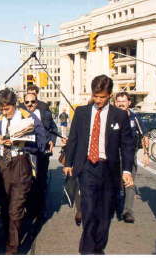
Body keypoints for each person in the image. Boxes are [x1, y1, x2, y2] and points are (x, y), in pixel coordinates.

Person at [63, 75, 134, 255]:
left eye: (102, 97)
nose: (99, 100)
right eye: (96, 96)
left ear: (109, 95)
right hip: (87, 167)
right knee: (88, 208)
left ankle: (98, 246)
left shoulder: (120, 115)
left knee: (105, 213)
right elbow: (73, 139)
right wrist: (68, 162)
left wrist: (127, 170)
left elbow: (127, 145)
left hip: (109, 169)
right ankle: (87, 250)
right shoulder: (81, 112)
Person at [0, 88, 47, 254]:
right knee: (5, 205)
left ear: (15, 104)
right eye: (2, 109)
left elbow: (42, 143)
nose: (4, 113)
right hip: (1, 166)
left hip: (20, 164)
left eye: (7, 109)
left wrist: (24, 142)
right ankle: (9, 236)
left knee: (15, 208)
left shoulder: (29, 117)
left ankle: (12, 248)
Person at [114, 91, 149, 223]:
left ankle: (128, 211)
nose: (121, 103)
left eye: (124, 101)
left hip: (130, 154)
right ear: (115, 103)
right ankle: (116, 205)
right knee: (115, 182)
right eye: (119, 101)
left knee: (129, 182)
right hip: (113, 155)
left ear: (129, 102)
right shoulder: (111, 117)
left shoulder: (135, 118)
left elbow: (144, 135)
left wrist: (146, 154)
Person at [23, 92, 57, 220]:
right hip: (26, 154)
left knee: (41, 181)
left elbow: (53, 128)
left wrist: (52, 141)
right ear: (24, 103)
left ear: (36, 103)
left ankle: (40, 209)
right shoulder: (19, 116)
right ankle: (29, 208)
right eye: (27, 102)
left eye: (32, 102)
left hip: (42, 153)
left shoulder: (46, 114)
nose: (30, 105)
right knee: (28, 182)